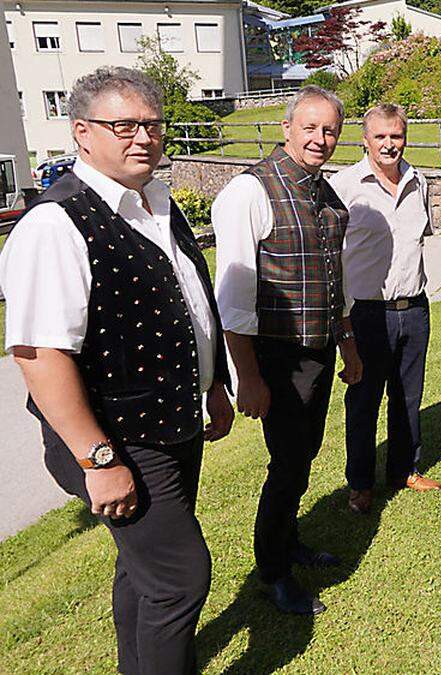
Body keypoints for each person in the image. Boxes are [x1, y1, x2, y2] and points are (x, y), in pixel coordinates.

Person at [0, 67, 233, 673]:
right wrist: (98, 462)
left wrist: (214, 387)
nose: (143, 138)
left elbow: (188, 305)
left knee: (145, 571)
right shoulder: (55, 223)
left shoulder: (156, 203)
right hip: (116, 439)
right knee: (179, 580)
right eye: (124, 125)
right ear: (81, 133)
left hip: (171, 425)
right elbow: (37, 354)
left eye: (152, 125)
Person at [212, 85, 363, 616]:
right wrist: (246, 377)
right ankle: (273, 571)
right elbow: (233, 297)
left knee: (303, 455)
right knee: (288, 463)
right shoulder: (249, 192)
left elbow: (333, 276)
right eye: (311, 128)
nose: (321, 139)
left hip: (319, 351)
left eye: (330, 131)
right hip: (277, 357)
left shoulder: (322, 191)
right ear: (287, 129)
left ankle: (289, 542)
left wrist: (346, 344)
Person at [330, 104, 441, 516]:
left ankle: (403, 470)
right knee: (363, 400)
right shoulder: (343, 187)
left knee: (407, 396)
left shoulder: (419, 181)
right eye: (381, 136)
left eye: (396, 136)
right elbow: (333, 257)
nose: (389, 144)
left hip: (414, 308)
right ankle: (360, 484)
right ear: (365, 139)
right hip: (366, 314)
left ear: (405, 137)